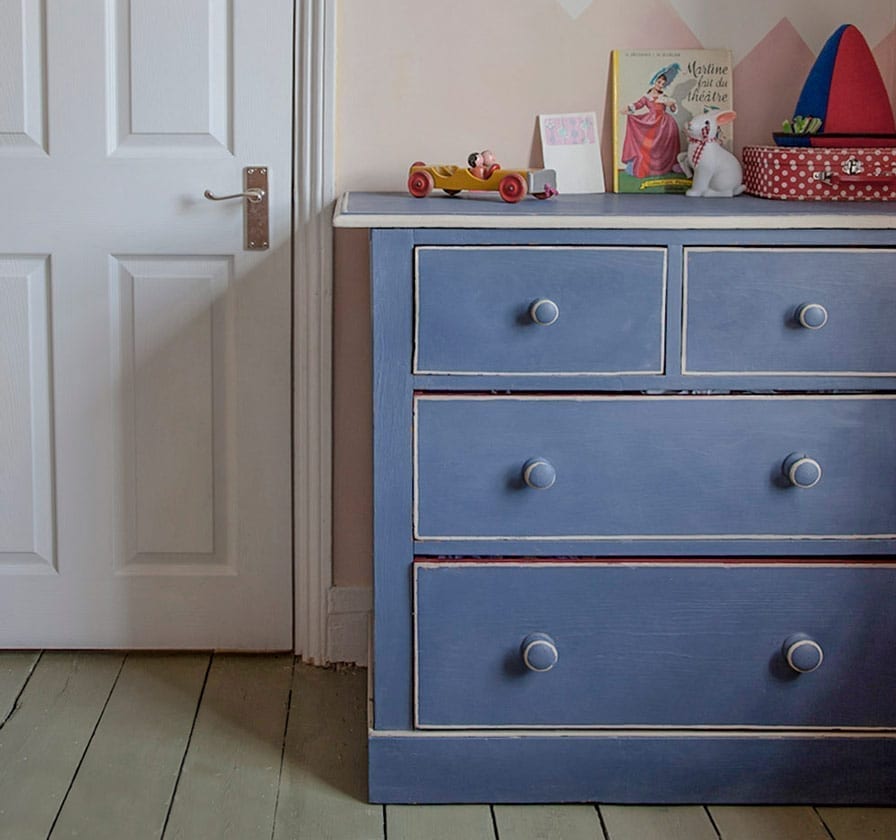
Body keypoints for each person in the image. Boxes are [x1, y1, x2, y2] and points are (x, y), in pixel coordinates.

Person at [620, 63, 682, 179]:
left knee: (663, 146)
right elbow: (638, 104)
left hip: (665, 124)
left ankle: (664, 167)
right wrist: (628, 108)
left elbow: (673, 108)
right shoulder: (647, 96)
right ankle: (645, 167)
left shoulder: (664, 96)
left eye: (663, 83)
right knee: (647, 145)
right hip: (651, 122)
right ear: (654, 81)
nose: (661, 85)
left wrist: (672, 105)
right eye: (659, 82)